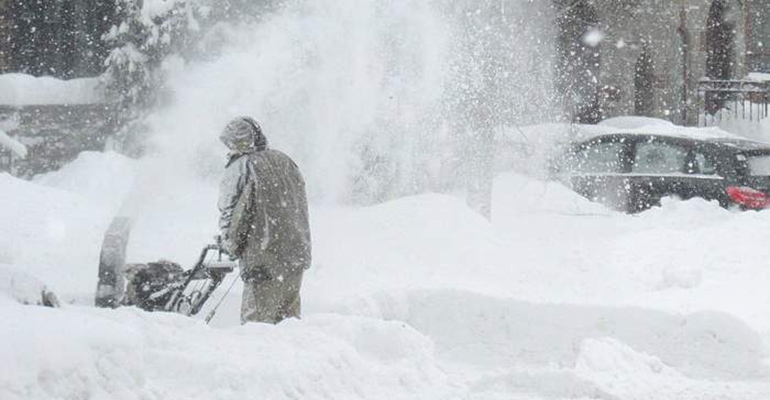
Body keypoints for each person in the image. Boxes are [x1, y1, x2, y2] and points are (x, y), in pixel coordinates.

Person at [217, 116, 311, 324]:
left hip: (263, 260)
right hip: (295, 256)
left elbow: (232, 214)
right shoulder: (285, 161)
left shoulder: (241, 166)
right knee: (289, 324)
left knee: (257, 327)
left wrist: (230, 244)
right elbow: (299, 206)